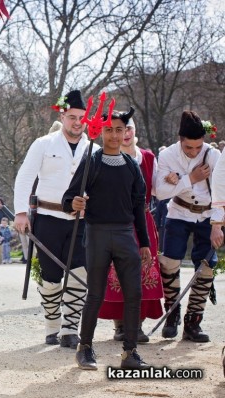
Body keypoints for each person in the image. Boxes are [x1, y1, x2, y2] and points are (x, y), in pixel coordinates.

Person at [62, 107, 152, 370]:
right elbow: (69, 198)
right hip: (97, 233)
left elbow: (139, 207)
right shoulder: (91, 162)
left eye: (119, 130)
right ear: (100, 131)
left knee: (134, 294)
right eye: (109, 129)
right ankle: (85, 348)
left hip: (126, 234)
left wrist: (144, 242)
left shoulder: (133, 167)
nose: (114, 135)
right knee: (96, 293)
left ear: (127, 133)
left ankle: (130, 353)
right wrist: (74, 203)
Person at [13, 90, 97, 349]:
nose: (77, 122)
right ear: (62, 115)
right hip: (48, 218)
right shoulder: (44, 143)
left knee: (79, 272)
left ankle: (71, 328)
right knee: (51, 276)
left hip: (81, 221)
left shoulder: (93, 149)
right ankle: (52, 325)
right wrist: (21, 212)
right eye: (72, 117)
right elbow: (25, 177)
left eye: (81, 117)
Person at [155, 111, 223, 342]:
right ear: (180, 139)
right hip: (179, 212)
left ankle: (193, 322)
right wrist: (189, 179)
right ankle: (172, 313)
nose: (194, 152)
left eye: (198, 147)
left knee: (205, 267)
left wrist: (217, 224)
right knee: (170, 262)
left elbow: (222, 192)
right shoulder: (168, 156)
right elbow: (161, 192)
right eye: (188, 147)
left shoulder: (213, 155)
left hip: (207, 215)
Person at [97, 117, 163, 342]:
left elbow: (160, 190)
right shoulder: (102, 158)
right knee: (116, 271)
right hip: (117, 220)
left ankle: (138, 325)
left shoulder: (148, 158)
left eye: (128, 129)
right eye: (118, 129)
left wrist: (179, 179)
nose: (124, 134)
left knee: (143, 271)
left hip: (142, 219)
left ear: (134, 130)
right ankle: (120, 326)